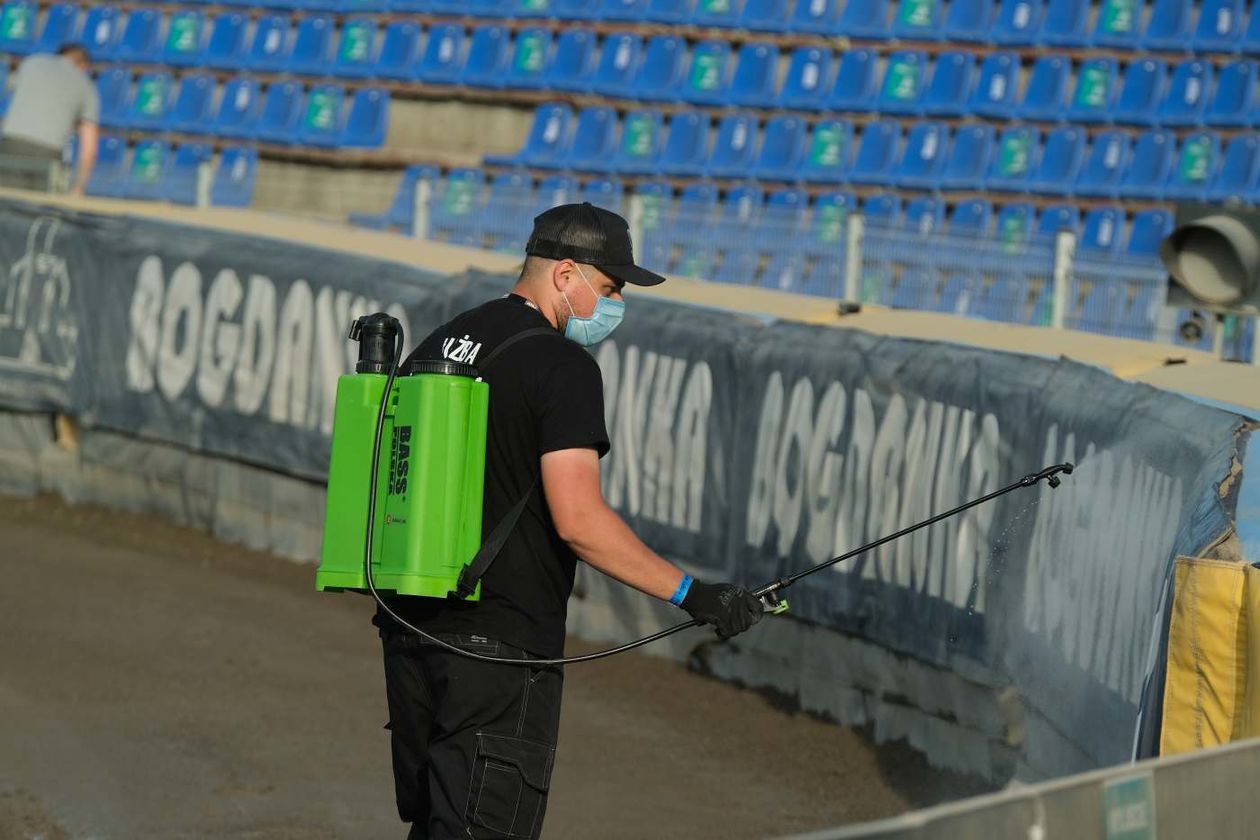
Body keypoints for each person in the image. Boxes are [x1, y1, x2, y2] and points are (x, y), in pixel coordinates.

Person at [373, 202, 764, 839]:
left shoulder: (442, 341)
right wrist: (695, 596)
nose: (614, 306)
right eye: (608, 288)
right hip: (499, 652)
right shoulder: (563, 366)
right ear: (565, 274)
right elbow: (579, 519)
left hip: (412, 634)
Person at [0, 43, 99, 194]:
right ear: (84, 64)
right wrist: (79, 186)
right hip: (49, 152)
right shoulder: (85, 85)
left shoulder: (31, 63)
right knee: (41, 212)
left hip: (12, 143)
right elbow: (89, 148)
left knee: (6, 204)